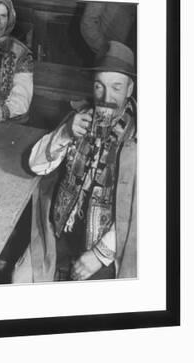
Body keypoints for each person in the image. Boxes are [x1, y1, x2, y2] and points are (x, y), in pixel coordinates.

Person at [13, 41, 137, 282]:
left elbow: (149, 210)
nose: (106, 98)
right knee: (20, 279)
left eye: (116, 87)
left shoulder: (140, 136)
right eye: (99, 86)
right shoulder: (80, 117)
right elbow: (35, 164)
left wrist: (99, 255)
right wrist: (66, 132)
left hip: (110, 245)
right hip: (61, 232)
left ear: (130, 89)